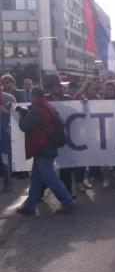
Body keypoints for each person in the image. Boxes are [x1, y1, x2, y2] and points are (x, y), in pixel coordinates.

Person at [15, 87, 76, 215]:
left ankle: (67, 202)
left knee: (49, 177)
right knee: (36, 177)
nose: (30, 98)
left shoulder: (37, 109)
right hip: (47, 145)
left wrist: (21, 115)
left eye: (31, 96)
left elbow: (24, 126)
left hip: (42, 145)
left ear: (34, 96)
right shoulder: (47, 106)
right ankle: (29, 205)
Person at [0, 88, 17, 191]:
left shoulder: (9, 98)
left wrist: (4, 110)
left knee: (5, 159)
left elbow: (16, 114)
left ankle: (8, 182)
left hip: (4, 133)